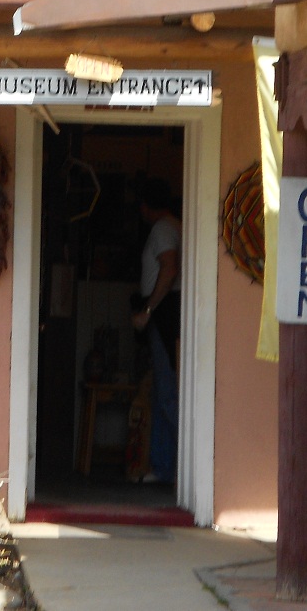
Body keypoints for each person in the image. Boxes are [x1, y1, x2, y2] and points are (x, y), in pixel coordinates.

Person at [130, 177, 181, 484]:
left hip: (164, 314)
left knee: (167, 392)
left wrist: (148, 310)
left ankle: (179, 463)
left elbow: (169, 267)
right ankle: (163, 466)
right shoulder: (174, 225)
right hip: (165, 313)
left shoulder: (162, 229)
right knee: (163, 391)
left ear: (146, 205)